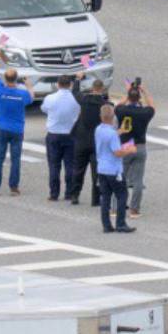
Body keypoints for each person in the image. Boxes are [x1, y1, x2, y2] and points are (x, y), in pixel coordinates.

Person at [0, 49, 33, 196]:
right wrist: (29, 85)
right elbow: (32, 97)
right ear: (16, 79)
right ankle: (14, 187)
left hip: (2, 128)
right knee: (15, 160)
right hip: (17, 130)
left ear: (5, 79)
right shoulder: (22, 94)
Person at [115, 80, 154, 218]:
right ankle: (134, 209)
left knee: (120, 177)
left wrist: (128, 92)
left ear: (129, 98)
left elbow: (118, 105)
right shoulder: (144, 113)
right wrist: (144, 91)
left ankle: (116, 208)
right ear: (139, 98)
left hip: (125, 146)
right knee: (138, 180)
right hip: (139, 146)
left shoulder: (121, 111)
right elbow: (152, 105)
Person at [95, 103, 136, 234]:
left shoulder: (99, 129)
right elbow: (117, 152)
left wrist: (119, 132)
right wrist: (129, 150)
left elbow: (108, 139)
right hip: (114, 169)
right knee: (122, 195)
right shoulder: (112, 134)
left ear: (101, 116)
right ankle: (120, 223)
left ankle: (106, 225)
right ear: (113, 117)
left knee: (105, 197)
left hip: (102, 168)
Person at [42, 74, 80, 202]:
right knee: (70, 165)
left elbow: (44, 109)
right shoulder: (75, 99)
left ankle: (54, 193)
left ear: (58, 84)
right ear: (70, 85)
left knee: (54, 165)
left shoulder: (50, 98)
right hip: (70, 134)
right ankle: (69, 193)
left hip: (54, 134)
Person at [71, 76, 108, 206]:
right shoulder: (104, 105)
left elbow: (75, 92)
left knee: (78, 169)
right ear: (102, 89)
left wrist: (77, 79)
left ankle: (75, 195)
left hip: (81, 140)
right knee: (96, 172)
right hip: (96, 142)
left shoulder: (84, 100)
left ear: (92, 88)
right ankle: (95, 199)